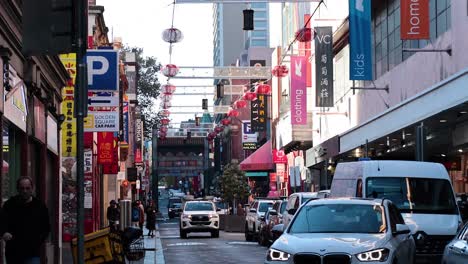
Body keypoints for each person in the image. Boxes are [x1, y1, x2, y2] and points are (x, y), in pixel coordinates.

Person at [1, 176, 50, 264]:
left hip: (32, 252)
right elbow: (2, 222)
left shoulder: (39, 206)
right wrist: (4, 232)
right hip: (13, 252)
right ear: (17, 189)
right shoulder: (9, 205)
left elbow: (46, 227)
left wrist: (37, 241)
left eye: (27, 188)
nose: (25, 191)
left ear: (32, 189)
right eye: (22, 188)